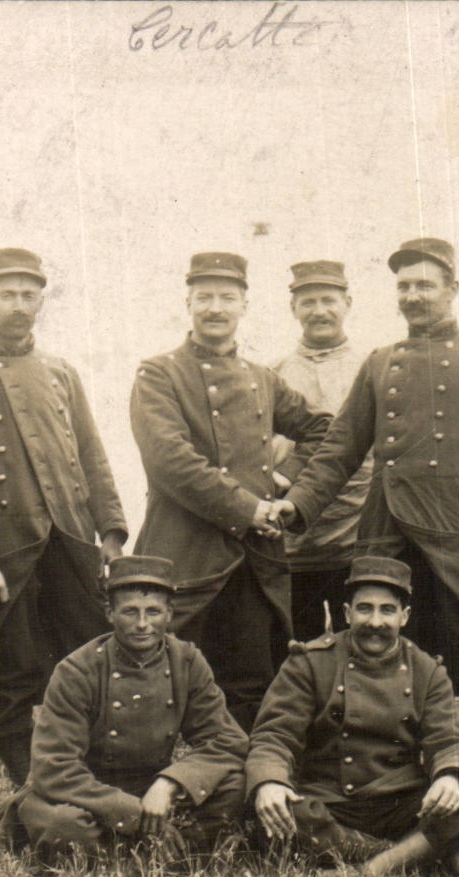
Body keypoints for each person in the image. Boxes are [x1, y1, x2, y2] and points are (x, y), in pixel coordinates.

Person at [277, 238, 459, 706]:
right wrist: (297, 505)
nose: (413, 297)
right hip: (387, 533)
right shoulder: (381, 363)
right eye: (404, 287)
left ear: (452, 288)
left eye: (425, 286)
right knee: (390, 660)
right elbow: (339, 449)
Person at [0, 248, 128, 785]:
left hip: (68, 541)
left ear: (41, 299)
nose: (19, 305)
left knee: (88, 655)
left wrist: (109, 534)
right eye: (7, 294)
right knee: (13, 670)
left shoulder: (61, 372)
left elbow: (91, 454)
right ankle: (28, 783)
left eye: (28, 294)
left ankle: (87, 771)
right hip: (3, 552)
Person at [130, 252, 331, 731]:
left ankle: (246, 774)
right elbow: (170, 459)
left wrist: (287, 483)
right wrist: (248, 507)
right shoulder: (158, 374)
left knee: (250, 680)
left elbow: (324, 430)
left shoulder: (262, 379)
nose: (215, 308)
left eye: (226, 297)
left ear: (244, 304)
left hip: (253, 560)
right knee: (164, 673)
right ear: (188, 303)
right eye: (204, 298)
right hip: (186, 552)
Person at [246, 556, 459, 877]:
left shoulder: (427, 670)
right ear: (346, 613)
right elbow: (275, 735)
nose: (375, 622)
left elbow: (450, 739)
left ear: (405, 616)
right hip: (329, 804)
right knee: (270, 805)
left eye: (387, 610)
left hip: (401, 803)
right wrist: (270, 781)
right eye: (365, 608)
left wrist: (450, 776)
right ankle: (413, 856)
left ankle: (368, 869)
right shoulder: (309, 662)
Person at [0, 556, 248, 863]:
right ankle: (145, 848)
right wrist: (131, 812)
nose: (142, 624)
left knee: (236, 787)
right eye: (129, 612)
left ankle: (155, 850)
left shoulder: (186, 662)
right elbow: (54, 769)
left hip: (151, 786)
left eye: (153, 612)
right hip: (83, 794)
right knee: (64, 827)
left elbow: (227, 741)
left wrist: (169, 785)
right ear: (110, 613)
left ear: (169, 614)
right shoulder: (76, 671)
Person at [270, 259, 371, 640]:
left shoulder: (370, 367)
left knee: (360, 647)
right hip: (293, 546)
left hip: (357, 539)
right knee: (298, 652)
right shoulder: (273, 373)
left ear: (347, 303)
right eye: (308, 302)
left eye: (328, 300)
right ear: (293, 308)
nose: (319, 311)